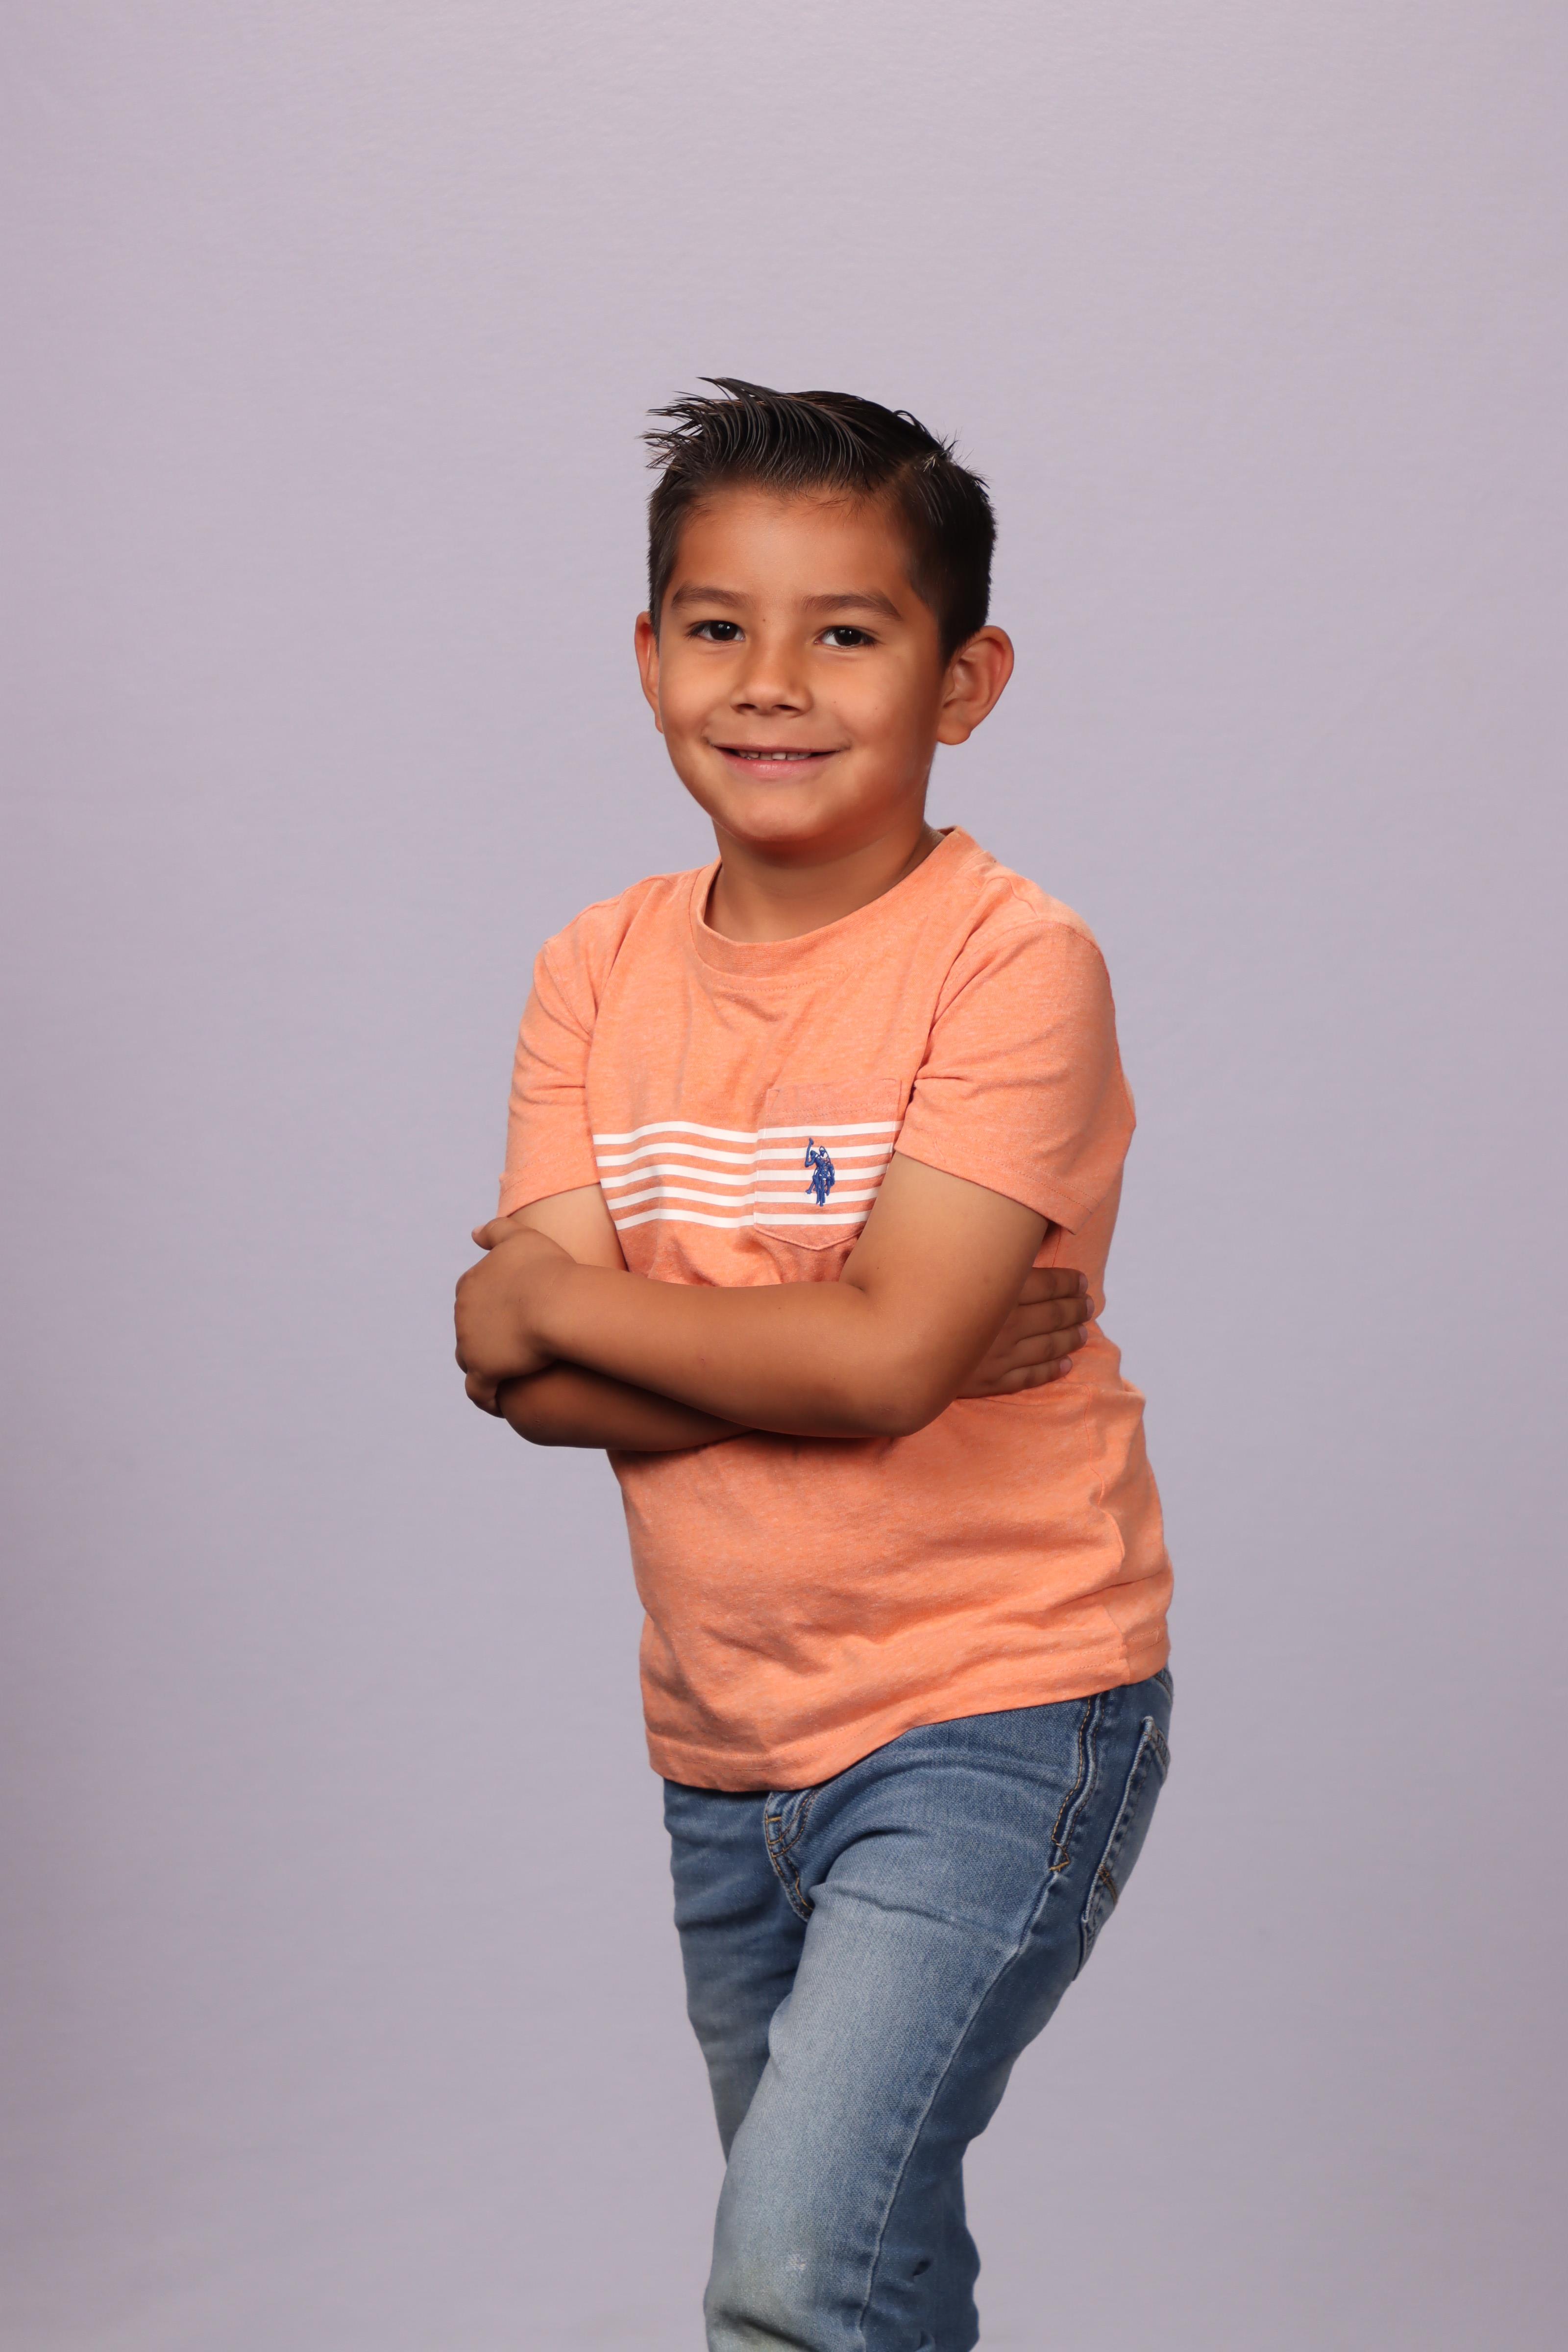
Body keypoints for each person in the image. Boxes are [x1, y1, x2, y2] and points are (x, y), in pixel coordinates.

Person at [454, 380, 1174, 2351]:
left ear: (963, 681)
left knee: (789, 2277)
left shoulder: (1007, 963)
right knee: (868, 2263)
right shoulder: (596, 971)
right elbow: (531, 1386)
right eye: (718, 626)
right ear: (650, 658)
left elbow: (671, 1346)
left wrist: (566, 1309)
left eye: (845, 632)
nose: (769, 682)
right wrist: (853, 1342)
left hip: (995, 1706)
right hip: (726, 1740)